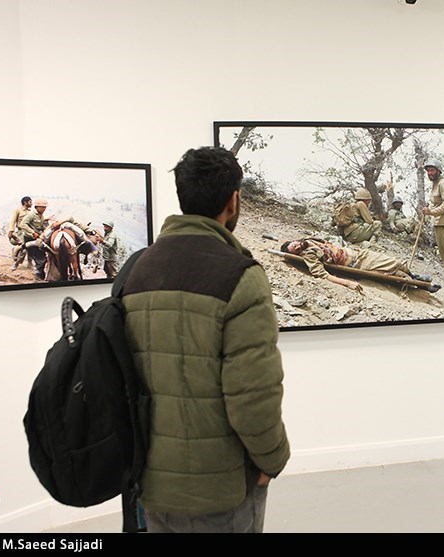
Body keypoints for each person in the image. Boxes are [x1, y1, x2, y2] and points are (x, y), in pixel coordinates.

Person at [121, 146, 290, 534]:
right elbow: (253, 394)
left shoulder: (137, 268)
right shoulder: (240, 276)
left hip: (149, 481)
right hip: (221, 488)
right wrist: (272, 459)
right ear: (233, 201)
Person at [280, 237, 436, 292]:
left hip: (357, 253)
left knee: (394, 262)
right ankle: (422, 286)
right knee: (394, 268)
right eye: (295, 250)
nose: (297, 247)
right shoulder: (309, 255)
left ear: (294, 241)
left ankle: (415, 276)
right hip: (357, 263)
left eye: (294, 245)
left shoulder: (309, 240)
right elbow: (321, 274)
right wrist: (347, 283)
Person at [18, 198, 52, 280]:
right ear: (37, 207)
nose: (44, 209)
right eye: (42, 207)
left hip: (38, 238)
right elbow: (23, 224)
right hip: (30, 238)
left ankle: (40, 274)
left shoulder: (41, 216)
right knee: (40, 257)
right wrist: (32, 232)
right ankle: (38, 275)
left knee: (42, 256)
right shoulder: (31, 215)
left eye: (45, 207)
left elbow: (42, 226)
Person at [9, 196, 33, 270]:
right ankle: (16, 264)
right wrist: (11, 231)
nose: (31, 203)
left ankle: (30, 263)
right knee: (24, 248)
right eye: (30, 202)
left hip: (29, 232)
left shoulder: (30, 212)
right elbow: (13, 220)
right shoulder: (18, 210)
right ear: (25, 202)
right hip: (21, 232)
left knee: (31, 247)